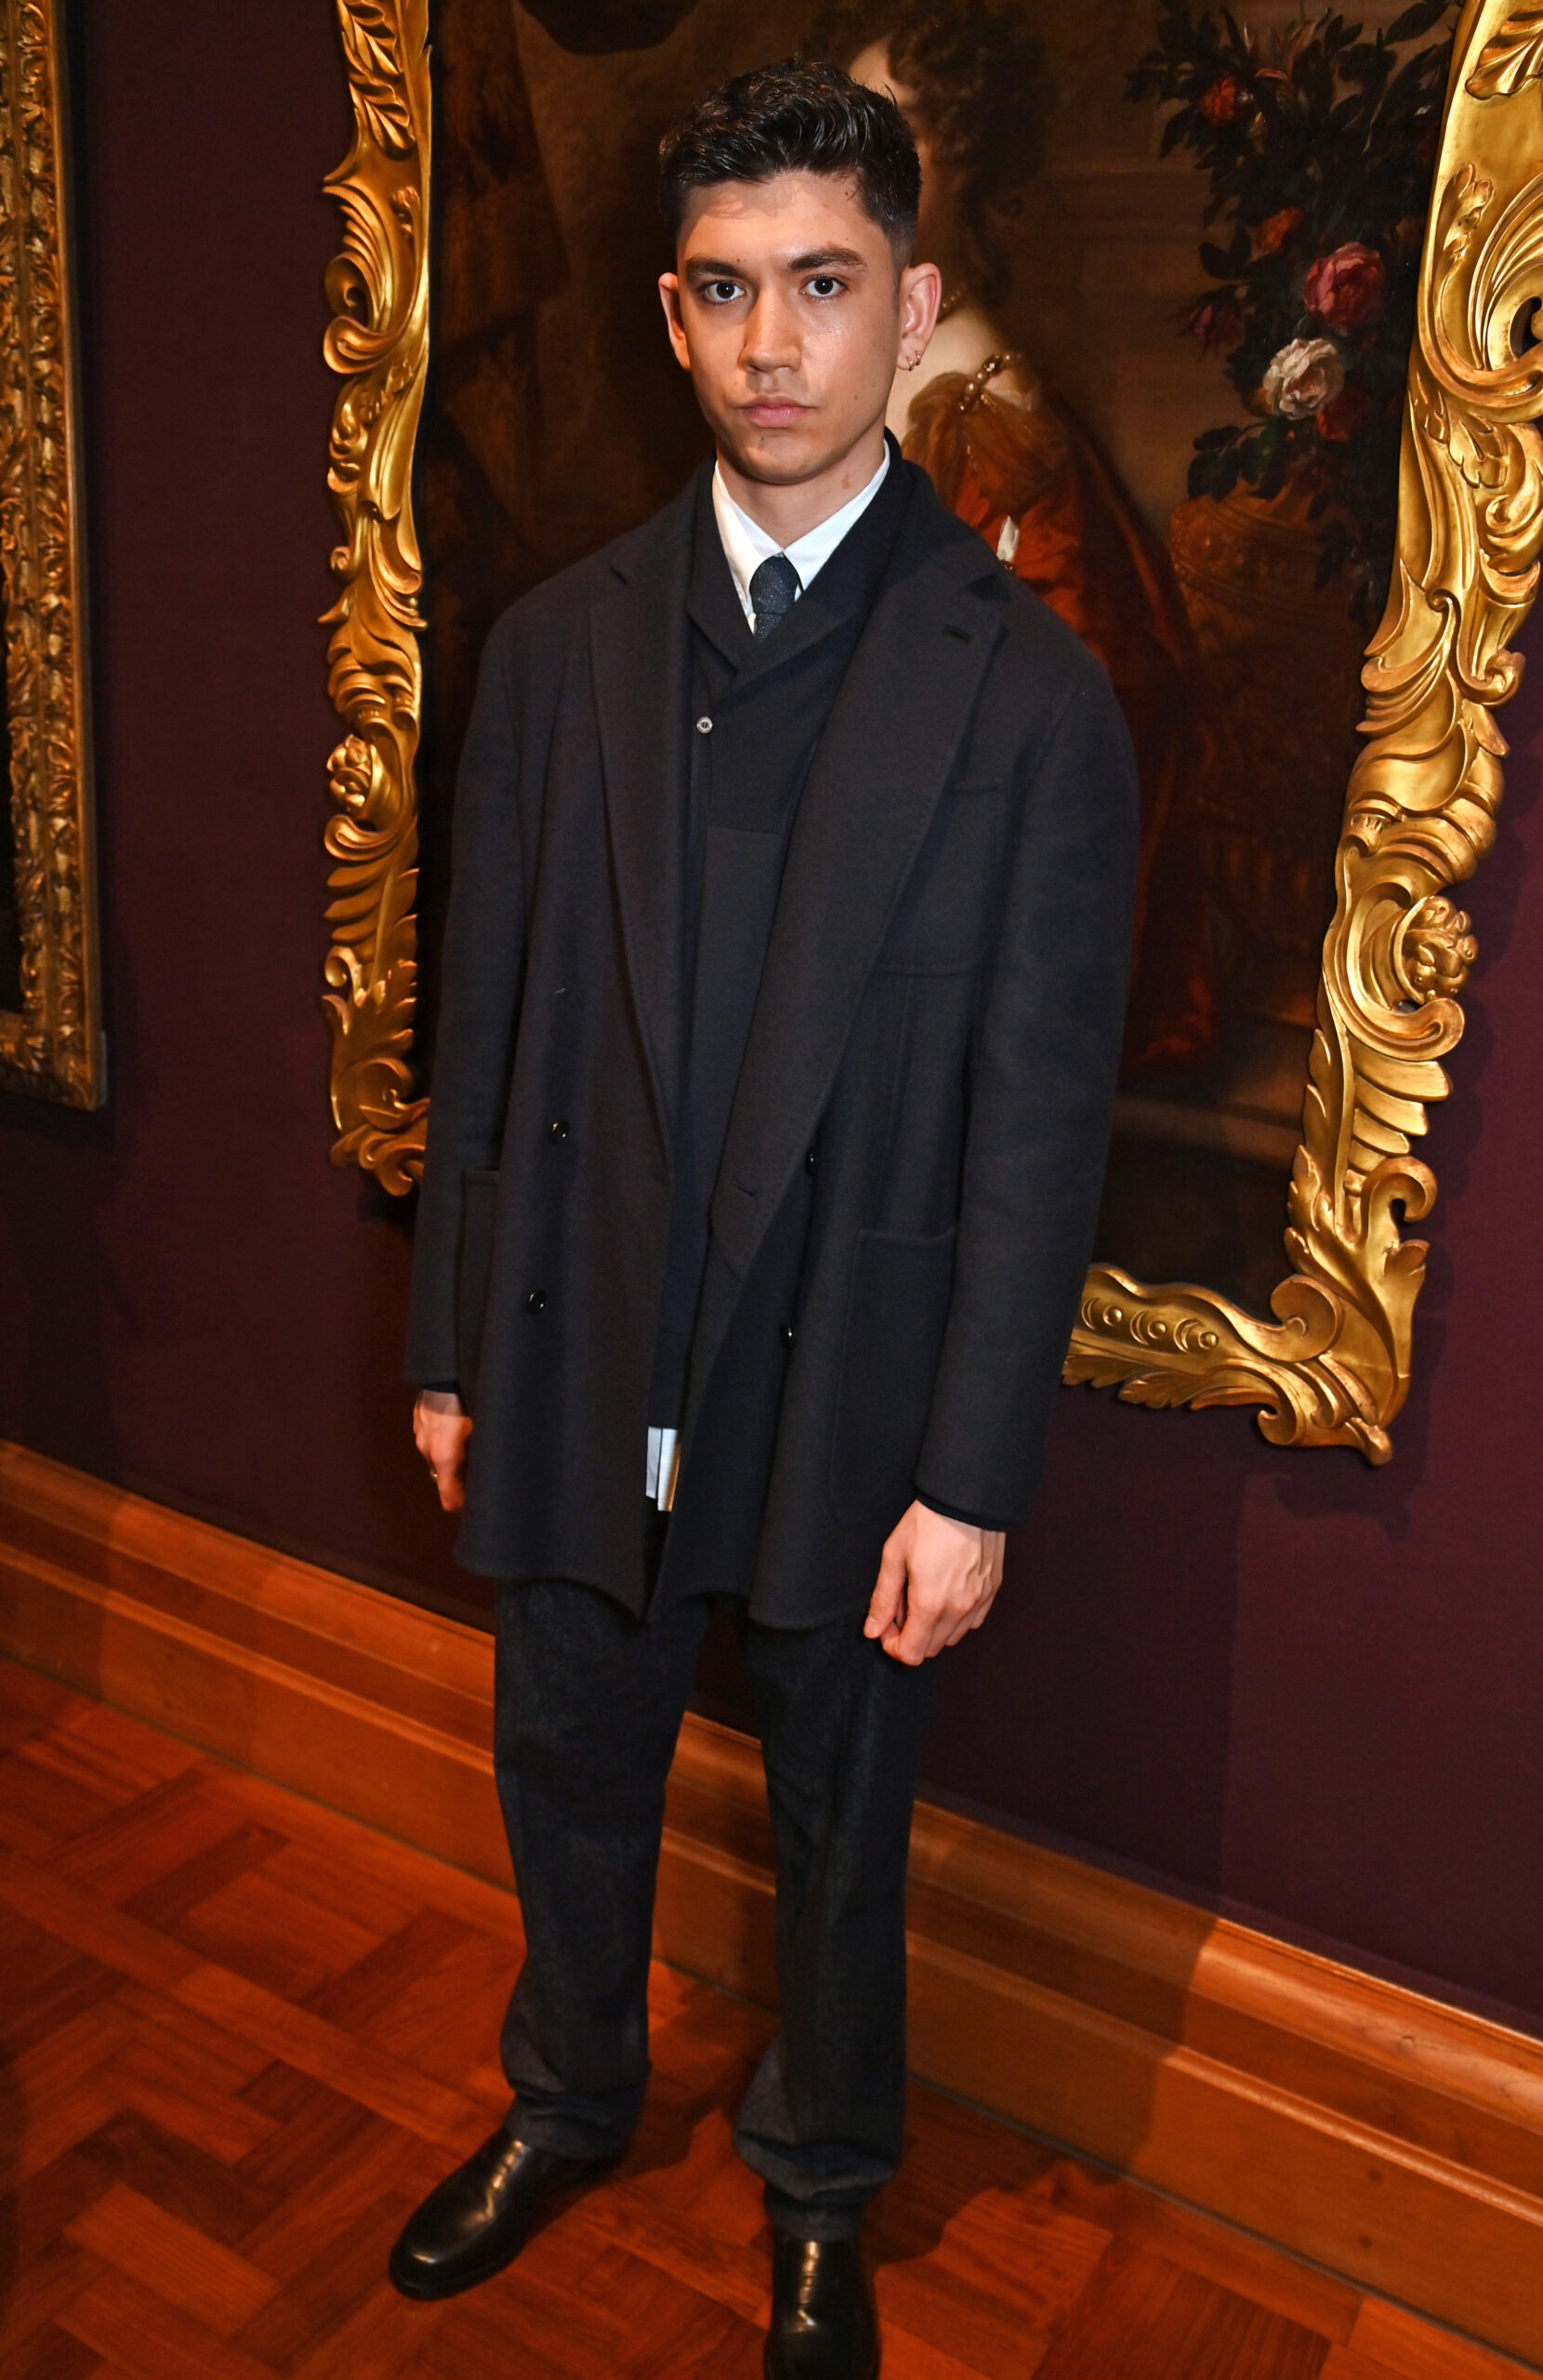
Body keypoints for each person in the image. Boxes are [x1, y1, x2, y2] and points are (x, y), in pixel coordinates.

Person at [395, 59, 1138, 2380]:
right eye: (724, 289)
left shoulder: (1033, 700)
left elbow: (1037, 1134)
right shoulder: (553, 649)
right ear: (671, 313)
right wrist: (450, 1343)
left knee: (836, 1815)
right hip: (580, 1328)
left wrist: (974, 1478)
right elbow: (480, 1024)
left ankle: (821, 2186)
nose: (771, 342)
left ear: (910, 304)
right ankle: (566, 2094)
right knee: (563, 1754)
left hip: (855, 1374)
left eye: (823, 283)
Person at [813, 0, 1218, 1077]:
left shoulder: (988, 421)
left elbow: (1090, 704)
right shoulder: (850, 372)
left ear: (969, 173)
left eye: (900, 142)